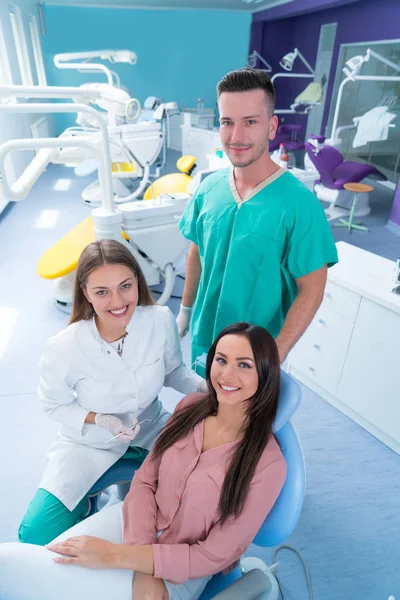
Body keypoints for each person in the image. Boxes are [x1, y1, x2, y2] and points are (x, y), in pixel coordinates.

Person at [0, 322, 286, 600]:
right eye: (221, 360)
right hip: (133, 522)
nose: (226, 374)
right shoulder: (190, 408)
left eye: (244, 365)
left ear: (265, 374)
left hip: (182, 567)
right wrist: (137, 559)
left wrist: (119, 557)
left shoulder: (268, 465)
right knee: (20, 567)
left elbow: (213, 555)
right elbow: (146, 480)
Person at [19, 239, 204, 546]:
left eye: (125, 286)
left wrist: (204, 388)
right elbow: (53, 404)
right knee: (35, 537)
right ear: (85, 293)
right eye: (102, 292)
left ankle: (132, 493)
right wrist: (99, 419)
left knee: (193, 507)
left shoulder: (159, 320)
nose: (117, 301)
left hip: (151, 429)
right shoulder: (64, 347)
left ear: (137, 281)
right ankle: (91, 501)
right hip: (88, 444)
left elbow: (174, 372)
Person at [176, 67, 338, 367]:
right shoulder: (208, 188)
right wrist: (185, 310)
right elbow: (197, 251)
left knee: (249, 415)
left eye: (250, 122)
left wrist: (276, 352)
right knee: (206, 410)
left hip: (257, 353)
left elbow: (312, 288)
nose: (237, 136)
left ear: (272, 127)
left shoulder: (299, 205)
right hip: (205, 339)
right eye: (227, 122)